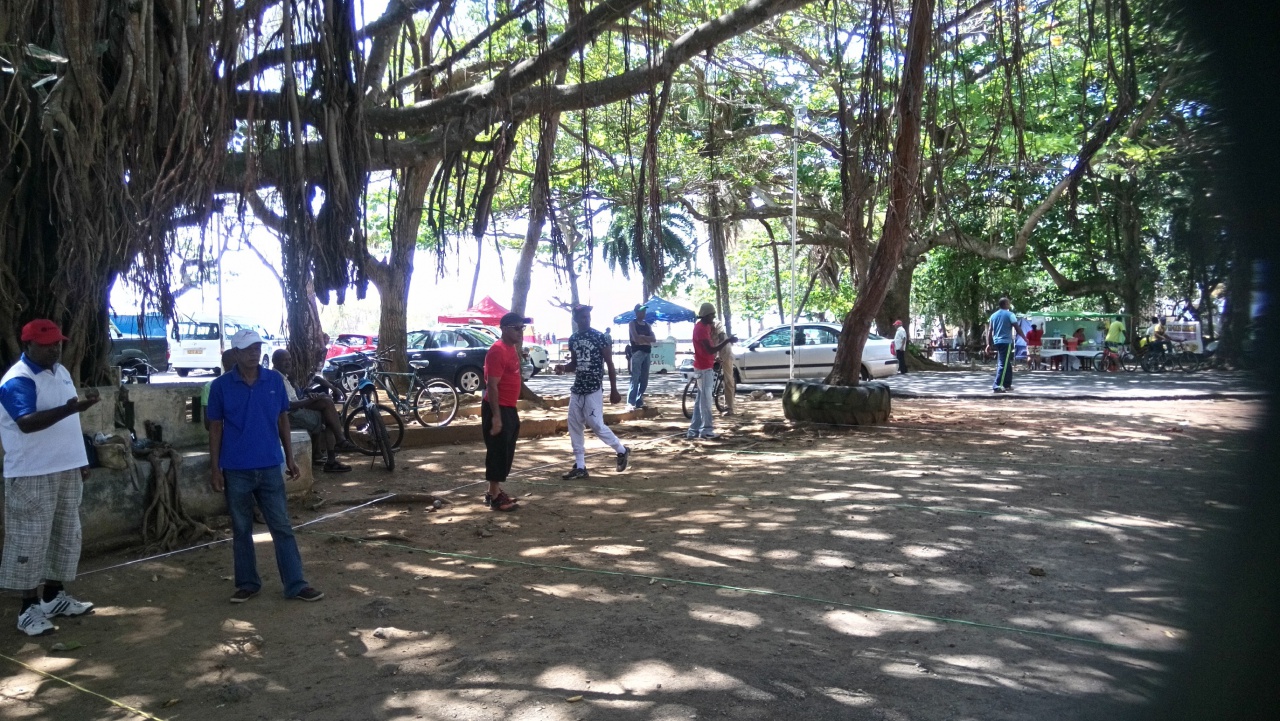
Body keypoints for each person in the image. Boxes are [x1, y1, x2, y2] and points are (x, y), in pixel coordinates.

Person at [207, 329, 323, 604]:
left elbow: (283, 419)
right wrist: (215, 468)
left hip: (270, 464)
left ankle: (296, 584)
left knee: (281, 525)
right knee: (241, 528)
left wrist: (290, 458)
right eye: (248, 349)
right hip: (236, 468)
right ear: (235, 353)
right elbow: (214, 428)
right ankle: (248, 583)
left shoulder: (273, 381)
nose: (254, 353)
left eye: (257, 348)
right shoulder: (220, 387)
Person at [0, 320, 101, 636]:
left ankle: (53, 596)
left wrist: (81, 459)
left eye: (58, 342)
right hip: (33, 472)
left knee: (65, 533)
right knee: (30, 538)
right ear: (27, 345)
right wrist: (71, 409)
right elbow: (27, 422)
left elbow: (68, 425)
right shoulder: (18, 379)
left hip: (66, 468)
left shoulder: (61, 372)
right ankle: (27, 609)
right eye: (46, 344)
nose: (55, 348)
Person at [561, 305, 629, 479]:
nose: (586, 319)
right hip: (578, 388)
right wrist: (563, 367)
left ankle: (621, 450)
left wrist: (614, 390)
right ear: (576, 319)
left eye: (588, 316)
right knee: (574, 424)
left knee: (596, 424)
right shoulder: (573, 339)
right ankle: (581, 466)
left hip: (593, 388)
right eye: (583, 317)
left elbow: (610, 364)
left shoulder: (600, 337)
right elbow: (574, 364)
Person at [270, 349, 353, 473]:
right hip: (290, 416)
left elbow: (298, 396)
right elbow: (289, 405)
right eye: (284, 360)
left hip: (296, 409)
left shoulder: (284, 376)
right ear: (275, 362)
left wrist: (311, 397)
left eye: (289, 359)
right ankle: (333, 453)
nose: (288, 363)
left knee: (326, 401)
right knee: (328, 415)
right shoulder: (276, 378)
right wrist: (309, 401)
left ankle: (331, 450)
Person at [481, 312, 528, 512]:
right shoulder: (498, 351)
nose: (520, 332)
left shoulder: (511, 349)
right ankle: (495, 496)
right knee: (498, 451)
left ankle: (494, 490)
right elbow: (492, 386)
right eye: (516, 328)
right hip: (498, 408)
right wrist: (497, 417)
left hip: (509, 407)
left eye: (522, 328)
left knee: (506, 450)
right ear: (505, 329)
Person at [688, 303, 737, 438]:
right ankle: (706, 430)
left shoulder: (706, 327)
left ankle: (693, 430)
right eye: (712, 315)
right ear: (705, 315)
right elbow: (710, 349)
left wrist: (714, 360)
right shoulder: (701, 329)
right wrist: (728, 341)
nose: (713, 317)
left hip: (705, 366)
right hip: (703, 369)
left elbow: (706, 351)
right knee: (706, 401)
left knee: (700, 401)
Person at [985, 298, 1026, 393]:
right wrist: (1025, 338)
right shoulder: (1010, 315)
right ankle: (997, 385)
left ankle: (1007, 384)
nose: (1010, 304)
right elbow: (1017, 327)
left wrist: (988, 344)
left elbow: (990, 330)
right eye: (1009, 302)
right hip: (1006, 342)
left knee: (1006, 363)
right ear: (1006, 304)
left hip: (997, 342)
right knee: (1003, 364)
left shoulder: (993, 316)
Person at [627, 304, 658, 410]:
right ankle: (631, 402)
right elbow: (635, 338)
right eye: (641, 311)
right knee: (635, 377)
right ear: (636, 312)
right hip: (637, 352)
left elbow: (654, 339)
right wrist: (646, 338)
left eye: (644, 311)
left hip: (647, 352)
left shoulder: (648, 325)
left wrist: (643, 338)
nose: (643, 313)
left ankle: (639, 399)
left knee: (644, 379)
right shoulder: (632, 323)